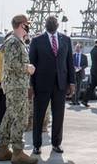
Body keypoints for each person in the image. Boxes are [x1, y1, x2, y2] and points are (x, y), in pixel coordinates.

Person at [0, 15, 37, 164]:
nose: (28, 27)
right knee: (21, 117)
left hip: (14, 85)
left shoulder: (16, 41)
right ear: (21, 25)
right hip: (17, 86)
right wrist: (28, 68)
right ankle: (18, 152)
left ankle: (3, 148)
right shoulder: (14, 41)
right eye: (27, 25)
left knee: (9, 116)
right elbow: (13, 64)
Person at [29, 16, 73, 155]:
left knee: (59, 115)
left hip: (60, 84)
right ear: (45, 25)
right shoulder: (36, 41)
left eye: (54, 22)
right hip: (41, 84)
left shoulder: (66, 40)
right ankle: (37, 145)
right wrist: (30, 85)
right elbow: (31, 64)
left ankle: (56, 143)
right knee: (39, 115)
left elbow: (69, 63)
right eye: (49, 22)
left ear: (58, 25)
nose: (52, 24)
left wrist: (72, 83)